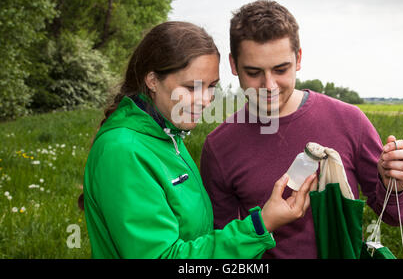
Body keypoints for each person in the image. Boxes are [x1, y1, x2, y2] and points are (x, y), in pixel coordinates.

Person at [200, 0, 403, 259]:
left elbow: (397, 216)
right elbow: (224, 247)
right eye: (253, 72)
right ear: (234, 66)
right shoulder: (219, 147)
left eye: (281, 69)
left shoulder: (350, 121)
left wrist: (395, 182)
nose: (269, 85)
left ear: (299, 58)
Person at [82, 21, 317, 259]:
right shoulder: (123, 151)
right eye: (191, 87)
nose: (205, 100)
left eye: (211, 86)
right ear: (152, 80)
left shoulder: (168, 137)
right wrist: (260, 225)